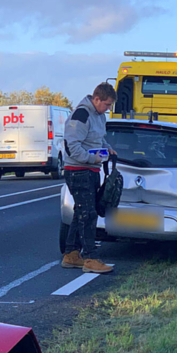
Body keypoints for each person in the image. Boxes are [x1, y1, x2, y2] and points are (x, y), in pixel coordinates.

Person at [61, 83, 117, 274]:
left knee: (81, 212)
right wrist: (92, 158)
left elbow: (97, 138)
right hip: (78, 170)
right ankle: (91, 258)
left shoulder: (98, 116)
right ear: (97, 99)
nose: (108, 109)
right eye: (107, 105)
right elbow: (72, 146)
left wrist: (107, 147)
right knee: (88, 215)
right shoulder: (81, 115)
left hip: (90, 170)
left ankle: (71, 254)